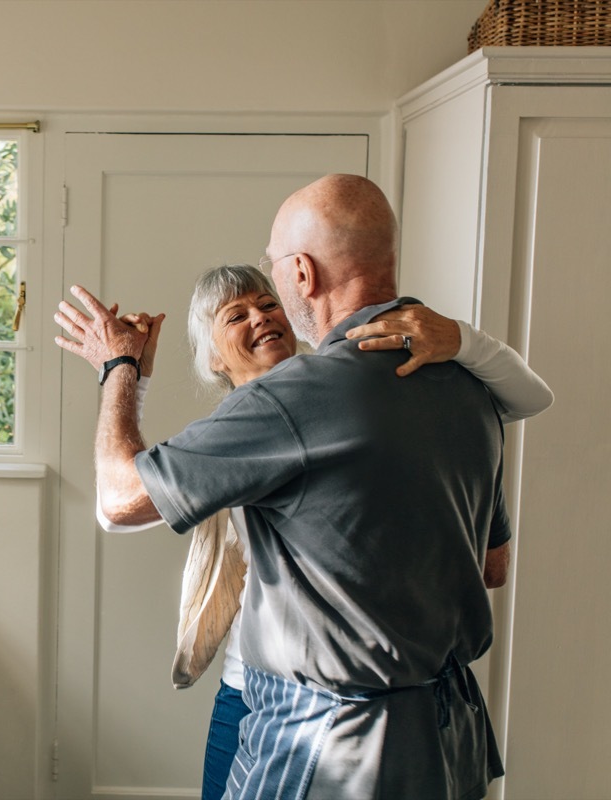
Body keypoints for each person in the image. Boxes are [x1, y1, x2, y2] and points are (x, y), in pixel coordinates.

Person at [53, 174, 544, 799]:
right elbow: (492, 565)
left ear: (303, 274)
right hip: (449, 745)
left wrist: (119, 368)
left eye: (274, 272)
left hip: (334, 748)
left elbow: (120, 501)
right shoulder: (470, 388)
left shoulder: (297, 399)